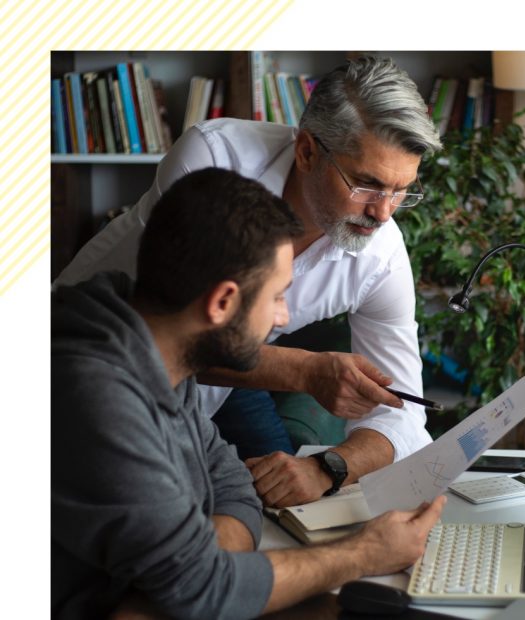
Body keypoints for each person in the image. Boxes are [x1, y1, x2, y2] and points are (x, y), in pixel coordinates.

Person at [51, 168, 445, 619]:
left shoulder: (155, 350)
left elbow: (232, 486)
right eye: (278, 296)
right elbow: (203, 589)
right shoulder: (98, 396)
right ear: (221, 303)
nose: (282, 318)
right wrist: (364, 553)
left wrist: (202, 573)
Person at [55, 56, 443, 507]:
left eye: (402, 190)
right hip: (89, 361)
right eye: (366, 183)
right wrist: (304, 370)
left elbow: (405, 413)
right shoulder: (214, 162)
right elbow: (177, 335)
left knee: (279, 503)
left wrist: (329, 466)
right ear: (307, 151)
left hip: (227, 380)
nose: (382, 211)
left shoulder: (381, 252)